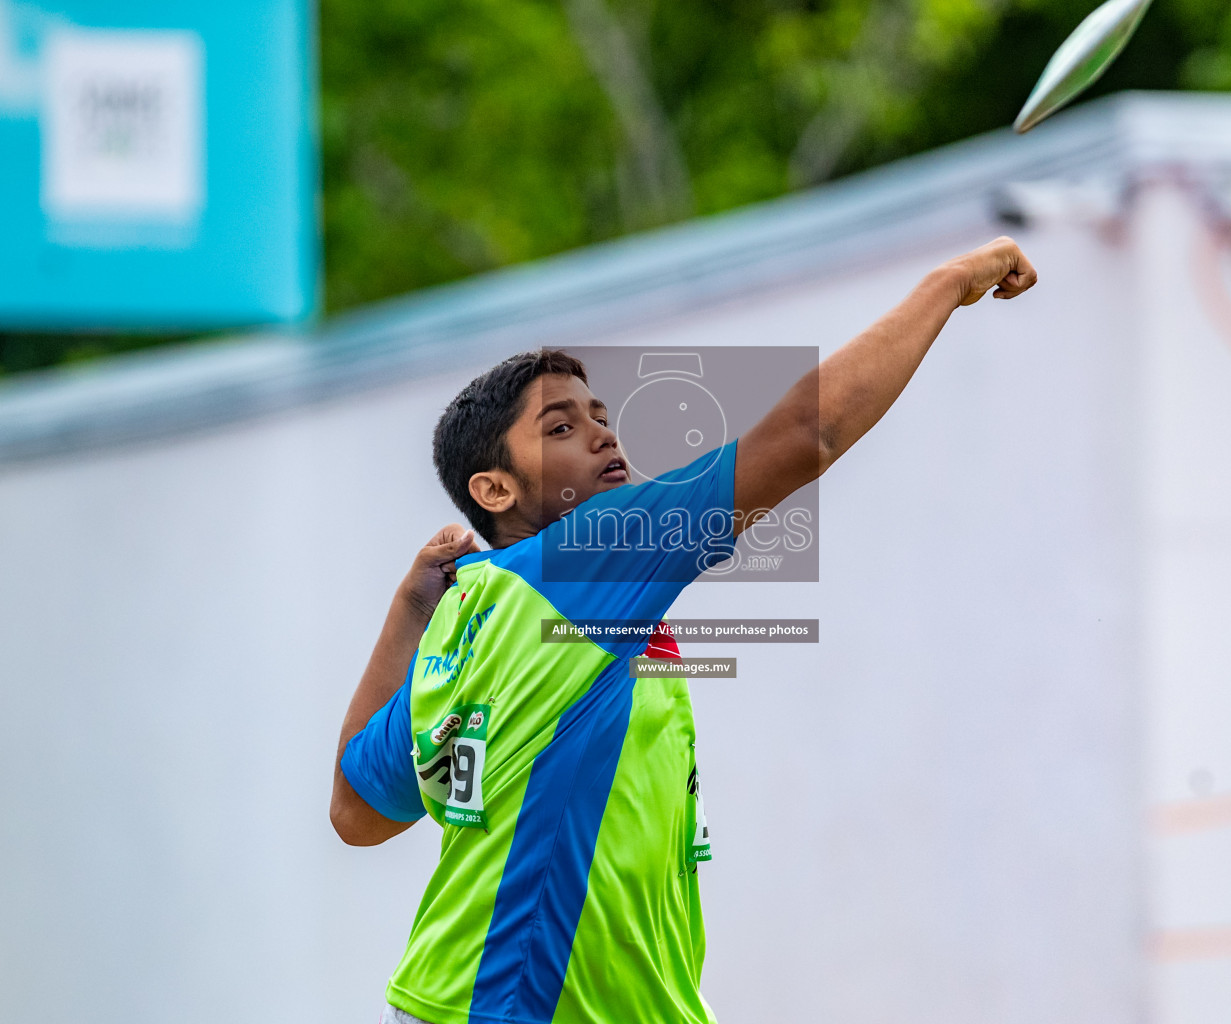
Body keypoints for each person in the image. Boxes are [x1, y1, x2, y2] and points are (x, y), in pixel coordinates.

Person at [330, 237, 1038, 1024]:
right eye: (560, 428)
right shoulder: (584, 559)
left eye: (601, 417)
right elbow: (811, 434)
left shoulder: (463, 628)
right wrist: (946, 284)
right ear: (493, 488)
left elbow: (358, 814)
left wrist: (408, 612)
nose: (603, 434)